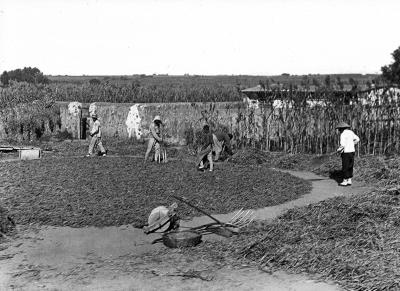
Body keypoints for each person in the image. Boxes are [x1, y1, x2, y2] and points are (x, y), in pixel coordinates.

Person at [336, 121, 360, 186]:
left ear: (341, 128)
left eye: (339, 129)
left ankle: (345, 180)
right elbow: (357, 139)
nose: (339, 130)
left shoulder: (343, 134)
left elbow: (342, 145)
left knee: (345, 166)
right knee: (350, 165)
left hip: (346, 152)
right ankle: (349, 180)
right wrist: (352, 144)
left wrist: (338, 150)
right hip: (352, 151)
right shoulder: (351, 132)